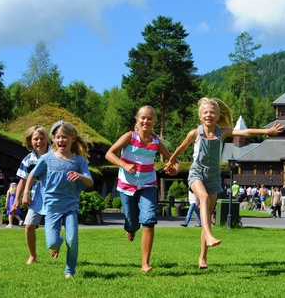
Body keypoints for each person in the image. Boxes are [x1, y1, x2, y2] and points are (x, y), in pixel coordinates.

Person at [168, 97, 283, 269]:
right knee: (204, 198)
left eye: (212, 112)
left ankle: (202, 258)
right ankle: (208, 235)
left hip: (214, 176)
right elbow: (181, 148)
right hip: (197, 173)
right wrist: (170, 161)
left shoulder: (223, 132)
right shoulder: (195, 133)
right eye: (205, 112)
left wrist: (266, 131)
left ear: (218, 115)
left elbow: (245, 133)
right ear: (200, 116)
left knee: (206, 213)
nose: (209, 115)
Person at [105, 106, 179, 272]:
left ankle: (145, 264)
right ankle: (130, 228)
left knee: (148, 220)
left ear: (154, 121)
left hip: (148, 185)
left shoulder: (155, 143)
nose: (146, 121)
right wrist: (124, 164)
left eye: (150, 118)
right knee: (131, 220)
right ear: (137, 120)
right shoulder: (129, 137)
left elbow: (174, 161)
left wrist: (174, 169)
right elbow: (109, 154)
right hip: (127, 185)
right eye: (143, 118)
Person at [22, 121, 94, 279]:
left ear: (73, 139)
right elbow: (32, 175)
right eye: (58, 137)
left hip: (70, 206)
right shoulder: (47, 159)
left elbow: (90, 182)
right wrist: (26, 192)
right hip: (52, 207)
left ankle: (70, 270)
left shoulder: (79, 161)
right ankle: (57, 243)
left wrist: (81, 176)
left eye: (65, 137)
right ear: (53, 139)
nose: (61, 140)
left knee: (72, 239)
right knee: (52, 243)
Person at [12, 125, 51, 264]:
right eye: (36, 139)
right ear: (30, 142)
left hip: (53, 195)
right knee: (29, 225)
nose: (39, 142)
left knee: (53, 225)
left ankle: (55, 245)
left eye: (42, 138)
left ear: (47, 139)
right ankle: (32, 256)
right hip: (35, 197)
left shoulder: (56, 155)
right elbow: (22, 181)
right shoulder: (28, 160)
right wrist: (17, 199)